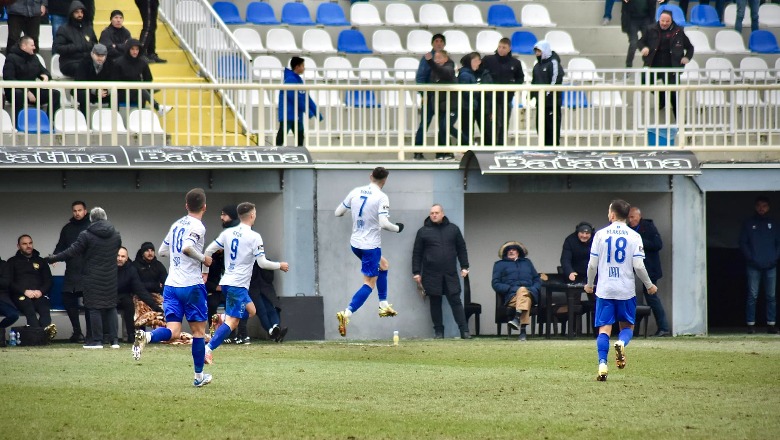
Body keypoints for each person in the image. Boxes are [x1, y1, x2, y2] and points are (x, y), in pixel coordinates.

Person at [131, 188, 214, 387]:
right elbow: (187, 247)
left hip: (171, 285)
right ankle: (198, 376)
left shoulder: (176, 224)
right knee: (198, 333)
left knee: (174, 331)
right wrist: (204, 259)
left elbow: (162, 251)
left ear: (186, 206)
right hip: (191, 285)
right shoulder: (198, 226)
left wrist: (176, 258)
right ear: (204, 207)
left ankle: (148, 336)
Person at [203, 202, 289, 364]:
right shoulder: (254, 236)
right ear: (251, 215)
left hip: (228, 282)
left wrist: (205, 272)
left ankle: (222, 317)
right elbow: (262, 263)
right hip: (237, 285)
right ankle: (208, 349)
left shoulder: (228, 233)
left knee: (251, 310)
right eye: (255, 213)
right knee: (233, 321)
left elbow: (208, 251)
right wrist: (280, 265)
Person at [585, 199, 657, 382]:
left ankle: (602, 364)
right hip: (625, 289)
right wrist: (649, 285)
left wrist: (589, 283)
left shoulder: (600, 235)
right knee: (627, 327)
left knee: (604, 328)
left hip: (605, 289)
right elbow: (639, 266)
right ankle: (621, 343)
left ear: (612, 214)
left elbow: (592, 264)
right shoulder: (634, 236)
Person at [335, 167, 404, 337]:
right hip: (370, 246)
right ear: (385, 180)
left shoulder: (356, 191)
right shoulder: (381, 197)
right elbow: (384, 223)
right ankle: (347, 313)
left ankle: (383, 304)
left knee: (384, 265)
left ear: (370, 176)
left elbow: (338, 213)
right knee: (369, 282)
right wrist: (397, 228)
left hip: (355, 243)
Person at [47, 207, 122, 349]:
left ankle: (96, 341)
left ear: (91, 219)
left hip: (92, 277)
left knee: (94, 308)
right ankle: (114, 341)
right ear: (105, 218)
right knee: (111, 307)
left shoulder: (86, 235)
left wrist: (53, 258)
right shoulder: (116, 235)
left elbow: (71, 252)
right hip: (111, 276)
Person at [412, 204, 471, 339]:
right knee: (435, 302)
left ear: (442, 214)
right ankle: (439, 332)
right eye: (432, 213)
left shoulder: (453, 229)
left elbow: (462, 249)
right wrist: (416, 272)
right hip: (431, 274)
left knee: (455, 301)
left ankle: (465, 331)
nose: (434, 215)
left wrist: (464, 266)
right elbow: (417, 254)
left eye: (436, 213)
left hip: (450, 273)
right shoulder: (423, 231)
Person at [638, 10, 693, 119]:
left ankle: (680, 121)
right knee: (644, 80)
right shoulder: (650, 29)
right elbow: (640, 42)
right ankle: (661, 95)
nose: (664, 23)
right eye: (662, 21)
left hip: (671, 66)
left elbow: (690, 47)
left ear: (671, 20)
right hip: (653, 64)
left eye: (667, 21)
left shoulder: (678, 31)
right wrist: (643, 48)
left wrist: (687, 57)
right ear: (659, 19)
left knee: (674, 94)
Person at [739, 196, 780, 334]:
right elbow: (743, 243)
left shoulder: (773, 224)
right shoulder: (749, 223)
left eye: (764, 206)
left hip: (771, 265)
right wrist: (751, 259)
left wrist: (775, 258)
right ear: (755, 207)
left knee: (771, 296)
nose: (761, 208)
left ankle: (771, 324)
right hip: (753, 265)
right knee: (752, 295)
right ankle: (750, 324)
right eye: (759, 205)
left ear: (768, 207)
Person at [627, 206, 670, 336]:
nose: (630, 220)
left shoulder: (648, 227)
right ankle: (633, 330)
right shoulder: (628, 229)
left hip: (649, 268)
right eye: (628, 217)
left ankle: (663, 328)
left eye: (632, 217)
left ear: (639, 216)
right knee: (632, 298)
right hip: (632, 269)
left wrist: (639, 241)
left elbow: (658, 244)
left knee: (652, 298)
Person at [53, 200, 90, 343]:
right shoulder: (67, 229)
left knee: (89, 303)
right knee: (67, 298)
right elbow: (60, 246)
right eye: (74, 210)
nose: (77, 213)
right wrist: (54, 258)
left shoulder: (91, 227)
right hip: (72, 271)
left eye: (80, 210)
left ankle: (91, 333)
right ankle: (77, 332)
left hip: (88, 271)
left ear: (85, 211)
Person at [7, 234, 57, 340]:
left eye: (30, 243)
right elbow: (9, 282)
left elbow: (49, 281)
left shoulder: (41, 261)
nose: (28, 246)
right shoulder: (12, 261)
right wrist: (24, 291)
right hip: (21, 296)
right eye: (24, 244)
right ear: (18, 246)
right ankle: (37, 338)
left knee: (44, 310)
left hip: (38, 294)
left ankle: (44, 338)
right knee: (29, 310)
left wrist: (41, 291)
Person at [2, 36, 61, 123]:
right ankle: (18, 124)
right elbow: (9, 78)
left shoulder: (34, 58)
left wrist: (46, 76)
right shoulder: (11, 58)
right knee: (18, 94)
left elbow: (44, 71)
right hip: (15, 91)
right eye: (32, 45)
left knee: (55, 94)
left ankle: (49, 122)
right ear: (24, 46)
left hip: (33, 91)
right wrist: (27, 91)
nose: (34, 47)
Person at [491, 241, 541, 341]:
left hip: (530, 292)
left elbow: (537, 279)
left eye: (514, 249)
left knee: (524, 292)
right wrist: (509, 288)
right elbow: (495, 283)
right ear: (505, 253)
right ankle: (522, 331)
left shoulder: (527, 262)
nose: (511, 251)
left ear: (518, 252)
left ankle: (517, 318)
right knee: (525, 299)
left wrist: (534, 288)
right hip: (511, 296)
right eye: (509, 250)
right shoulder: (499, 265)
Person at [112, 38, 172, 116]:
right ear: (128, 49)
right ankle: (157, 107)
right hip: (121, 92)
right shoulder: (118, 62)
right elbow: (114, 81)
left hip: (137, 91)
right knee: (139, 89)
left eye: (137, 49)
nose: (135, 52)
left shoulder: (142, 62)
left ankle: (141, 118)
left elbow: (148, 79)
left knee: (143, 90)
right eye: (132, 49)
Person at [481, 37, 524, 147]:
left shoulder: (515, 63)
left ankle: (501, 146)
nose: (501, 49)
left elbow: (520, 78)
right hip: (490, 98)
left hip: (506, 98)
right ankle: (489, 147)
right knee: (491, 124)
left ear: (509, 49)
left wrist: (512, 88)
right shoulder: (488, 60)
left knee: (504, 123)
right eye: (499, 47)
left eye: (504, 47)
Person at [116, 247, 162, 343]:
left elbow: (140, 289)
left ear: (127, 257)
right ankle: (107, 336)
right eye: (118, 256)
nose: (120, 258)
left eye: (122, 256)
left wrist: (154, 306)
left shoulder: (131, 270)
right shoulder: (108, 267)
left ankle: (131, 335)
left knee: (129, 303)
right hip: (109, 295)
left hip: (124, 295)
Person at [418, 49, 458, 159]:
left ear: (446, 58)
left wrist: (430, 61)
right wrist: (424, 95)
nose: (437, 60)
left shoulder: (449, 68)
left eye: (439, 58)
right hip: (440, 106)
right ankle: (443, 153)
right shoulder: (434, 72)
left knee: (446, 127)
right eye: (436, 58)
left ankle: (466, 143)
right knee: (443, 128)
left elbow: (442, 72)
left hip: (451, 106)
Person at [413, 33, 446, 160]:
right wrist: (423, 93)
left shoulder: (446, 58)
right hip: (430, 96)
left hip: (442, 98)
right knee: (424, 124)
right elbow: (421, 77)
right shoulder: (427, 58)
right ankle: (418, 151)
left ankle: (441, 152)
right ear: (432, 43)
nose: (439, 43)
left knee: (443, 124)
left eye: (441, 41)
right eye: (436, 41)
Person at [276, 56, 320, 147]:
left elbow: (306, 97)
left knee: (300, 134)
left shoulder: (298, 80)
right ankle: (276, 152)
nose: (304, 67)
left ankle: (300, 152)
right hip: (287, 114)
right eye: (303, 65)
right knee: (283, 133)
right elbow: (295, 98)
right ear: (297, 67)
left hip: (297, 114)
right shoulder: (290, 80)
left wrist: (316, 111)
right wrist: (309, 112)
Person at [531, 40, 564, 146]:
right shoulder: (537, 66)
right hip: (540, 105)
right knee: (540, 129)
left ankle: (554, 151)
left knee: (552, 130)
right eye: (536, 51)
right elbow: (534, 82)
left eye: (539, 51)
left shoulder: (553, 63)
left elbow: (556, 79)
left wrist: (547, 95)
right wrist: (532, 94)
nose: (537, 53)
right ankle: (543, 150)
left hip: (551, 105)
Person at [53, 1, 97, 78]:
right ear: (71, 13)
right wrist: (77, 47)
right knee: (82, 68)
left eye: (81, 12)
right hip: (69, 62)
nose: (80, 14)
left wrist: (89, 46)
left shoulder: (89, 28)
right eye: (77, 12)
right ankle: (81, 90)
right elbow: (58, 48)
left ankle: (99, 90)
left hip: (87, 60)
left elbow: (96, 44)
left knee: (102, 67)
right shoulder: (63, 29)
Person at [457, 52, 493, 147]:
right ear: (469, 62)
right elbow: (466, 92)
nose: (478, 63)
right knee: (467, 130)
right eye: (475, 61)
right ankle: (465, 151)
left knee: (470, 130)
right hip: (467, 107)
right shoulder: (465, 74)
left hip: (472, 106)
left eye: (479, 60)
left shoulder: (470, 73)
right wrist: (478, 90)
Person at [248, 264, 287, 343]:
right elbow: (250, 278)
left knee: (273, 309)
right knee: (262, 310)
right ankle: (271, 331)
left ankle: (276, 328)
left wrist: (264, 266)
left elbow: (269, 278)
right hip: (254, 291)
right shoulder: (248, 263)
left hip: (267, 290)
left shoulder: (268, 263)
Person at [73, 43, 113, 118]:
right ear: (92, 54)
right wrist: (95, 91)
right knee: (84, 94)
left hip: (103, 92)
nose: (100, 58)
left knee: (114, 95)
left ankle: (112, 122)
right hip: (87, 91)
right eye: (98, 55)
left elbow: (114, 80)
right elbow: (80, 82)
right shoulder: (84, 62)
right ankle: (84, 121)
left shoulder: (110, 63)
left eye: (102, 56)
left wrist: (107, 91)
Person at [621, 0, 659, 68]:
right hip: (631, 19)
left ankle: (647, 65)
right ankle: (628, 67)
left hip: (646, 18)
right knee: (633, 43)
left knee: (649, 43)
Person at [0, 257, 21, 347]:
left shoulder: (4, 265)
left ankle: (0, 329)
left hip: (2, 298)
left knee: (13, 315)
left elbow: (6, 282)